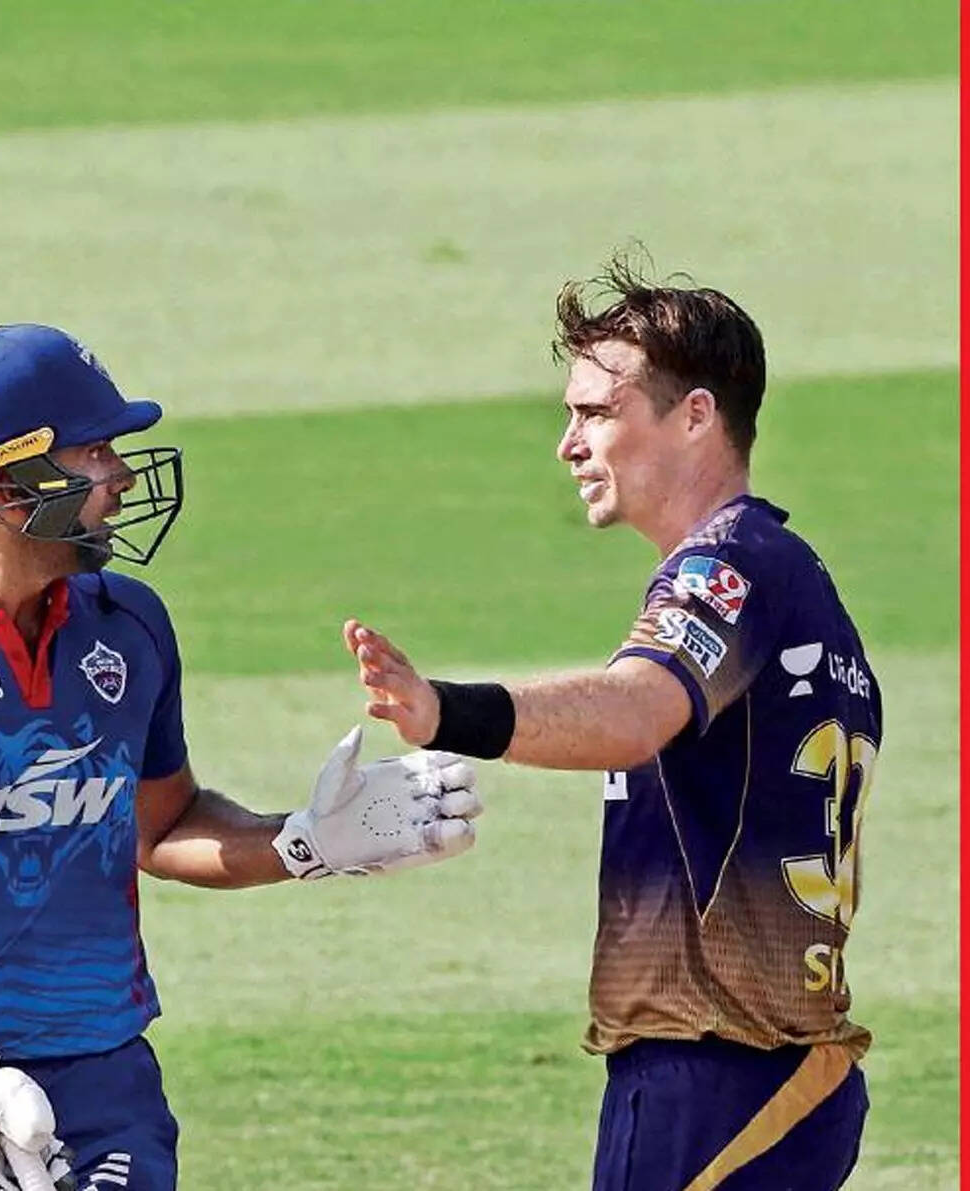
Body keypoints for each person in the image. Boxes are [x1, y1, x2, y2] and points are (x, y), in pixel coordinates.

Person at [0, 323, 482, 1191]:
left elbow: (162, 826)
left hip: (101, 1080)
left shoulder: (129, 624)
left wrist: (303, 842)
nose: (125, 478)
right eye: (96, 452)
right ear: (7, 481)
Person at [345, 259, 881, 1191]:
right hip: (776, 1071)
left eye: (596, 413)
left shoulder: (726, 568)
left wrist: (444, 712)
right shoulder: (794, 580)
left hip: (713, 1076)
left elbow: (635, 710)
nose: (569, 444)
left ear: (696, 415)